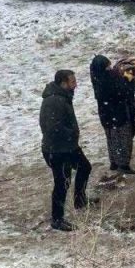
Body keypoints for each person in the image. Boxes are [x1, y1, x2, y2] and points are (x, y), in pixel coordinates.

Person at [40, 69, 91, 232]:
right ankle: (57, 219)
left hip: (68, 146)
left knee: (84, 167)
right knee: (62, 183)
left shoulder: (62, 97)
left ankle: (80, 200)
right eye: (72, 82)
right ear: (63, 83)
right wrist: (71, 133)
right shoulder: (55, 101)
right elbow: (52, 127)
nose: (75, 85)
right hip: (57, 150)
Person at [90, 55, 135, 174]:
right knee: (123, 139)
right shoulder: (109, 79)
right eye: (108, 67)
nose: (110, 68)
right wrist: (130, 81)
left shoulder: (97, 78)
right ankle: (123, 164)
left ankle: (114, 162)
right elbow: (124, 91)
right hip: (118, 115)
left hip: (106, 116)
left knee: (112, 139)